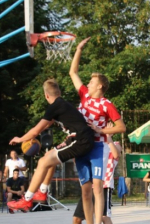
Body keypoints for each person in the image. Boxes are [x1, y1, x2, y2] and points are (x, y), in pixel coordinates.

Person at [69, 36, 126, 224]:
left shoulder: (106, 104)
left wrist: (100, 129)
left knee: (97, 186)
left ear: (100, 86)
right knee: (85, 190)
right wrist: (78, 49)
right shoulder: (84, 96)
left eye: (92, 81)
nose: (88, 82)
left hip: (97, 147)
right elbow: (72, 72)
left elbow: (121, 127)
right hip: (81, 147)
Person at [7, 79, 95, 213]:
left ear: (46, 95)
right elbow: (46, 124)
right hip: (78, 138)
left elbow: (36, 130)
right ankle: (42, 192)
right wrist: (32, 136)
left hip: (80, 140)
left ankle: (27, 199)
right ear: (58, 92)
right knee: (49, 156)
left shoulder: (55, 106)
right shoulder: (62, 104)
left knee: (43, 162)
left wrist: (20, 139)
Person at [68, 138, 122, 224]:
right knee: (76, 219)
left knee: (104, 217)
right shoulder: (92, 144)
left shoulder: (115, 144)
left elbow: (117, 155)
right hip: (89, 188)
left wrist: (108, 139)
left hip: (104, 186)